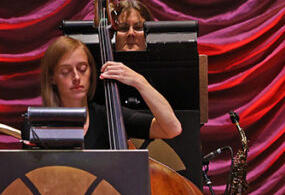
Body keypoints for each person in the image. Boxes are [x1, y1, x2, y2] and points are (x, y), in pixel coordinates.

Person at [39, 34, 181, 149]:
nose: (76, 77)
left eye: (82, 68)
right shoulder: (40, 125)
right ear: (52, 78)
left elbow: (172, 128)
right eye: (65, 71)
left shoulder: (110, 117)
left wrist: (140, 82)